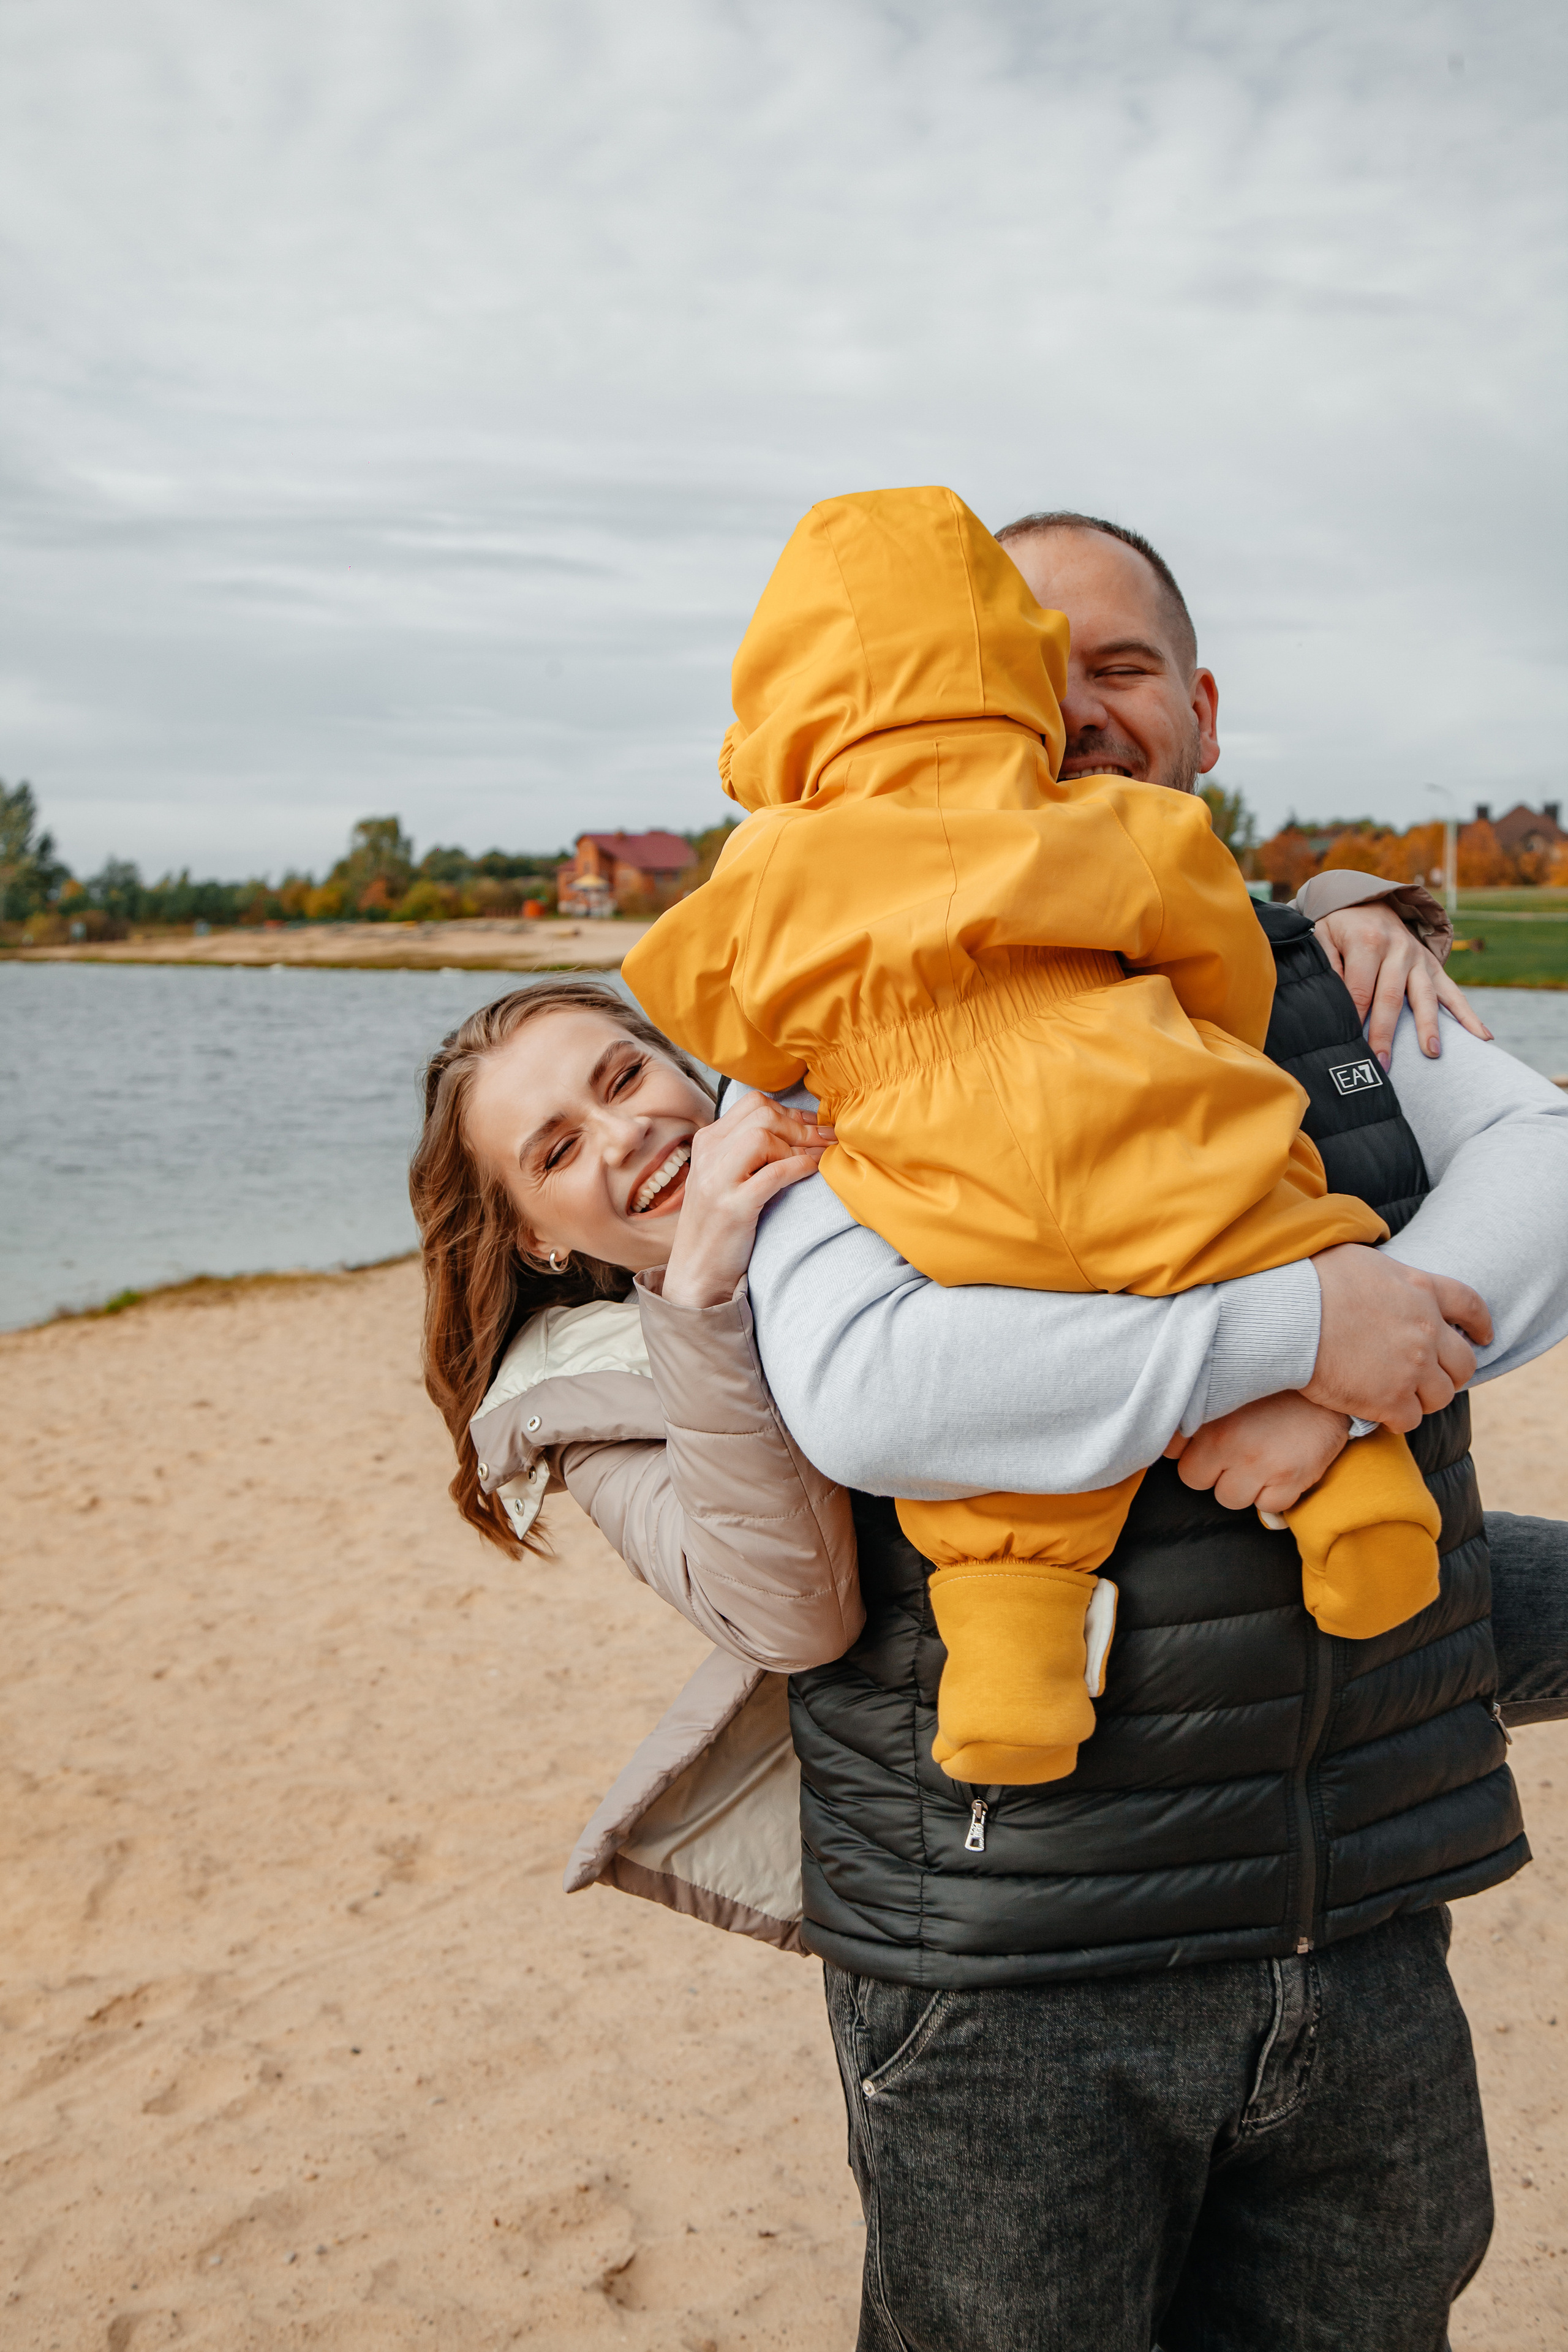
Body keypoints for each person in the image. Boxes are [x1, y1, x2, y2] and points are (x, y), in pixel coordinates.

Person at [409, 527, 1568, 2346]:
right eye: (551, 1149)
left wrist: (1355, 1342)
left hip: (1355, 1916)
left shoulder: (1308, 973)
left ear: (1199, 707)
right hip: (1014, 1958)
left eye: (622, 1075)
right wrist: (1297, 1334)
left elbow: (1538, 1164)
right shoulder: (814, 1099)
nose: (1069, 709)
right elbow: (837, 1493)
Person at [622, 486, 1447, 1795]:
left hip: (940, 1171)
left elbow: (696, 995)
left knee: (991, 1465)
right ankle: (1360, 1492)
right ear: (1016, 680)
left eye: (1121, 666)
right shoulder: (1114, 826)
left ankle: (1010, 1652)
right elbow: (1215, 953)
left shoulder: (769, 868)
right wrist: (1197, 1044)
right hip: (1142, 1112)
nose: (1080, 707)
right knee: (1267, 1221)